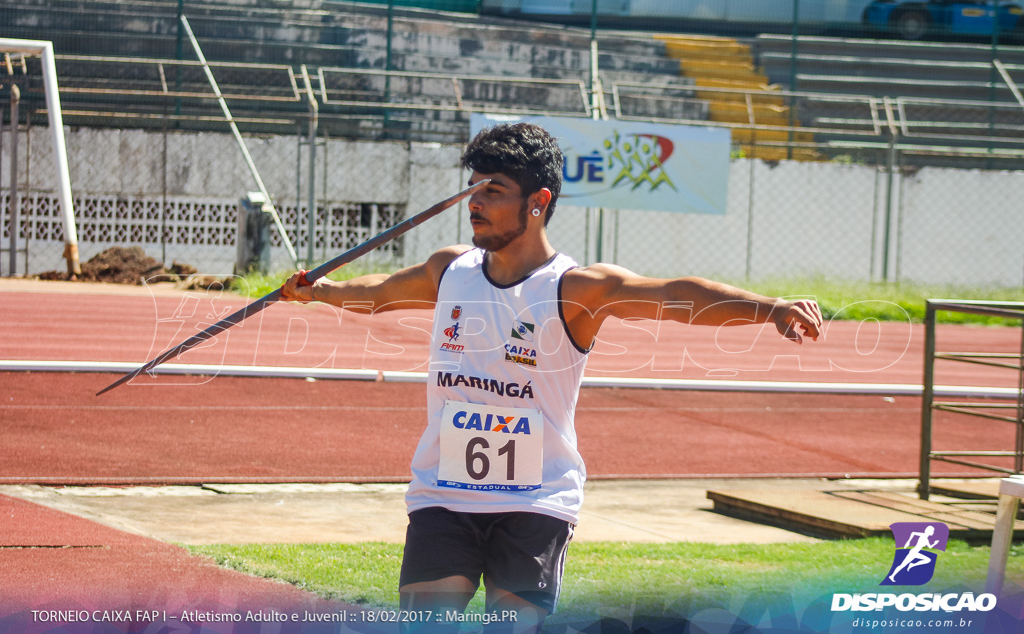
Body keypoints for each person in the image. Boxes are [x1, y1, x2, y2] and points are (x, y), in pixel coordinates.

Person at [281, 122, 823, 632]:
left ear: (538, 203)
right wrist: (319, 292)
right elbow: (377, 293)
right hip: (443, 495)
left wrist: (770, 307)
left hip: (535, 501)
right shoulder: (450, 270)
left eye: (493, 190)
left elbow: (678, 295)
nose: (474, 201)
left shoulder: (576, 288)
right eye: (473, 187)